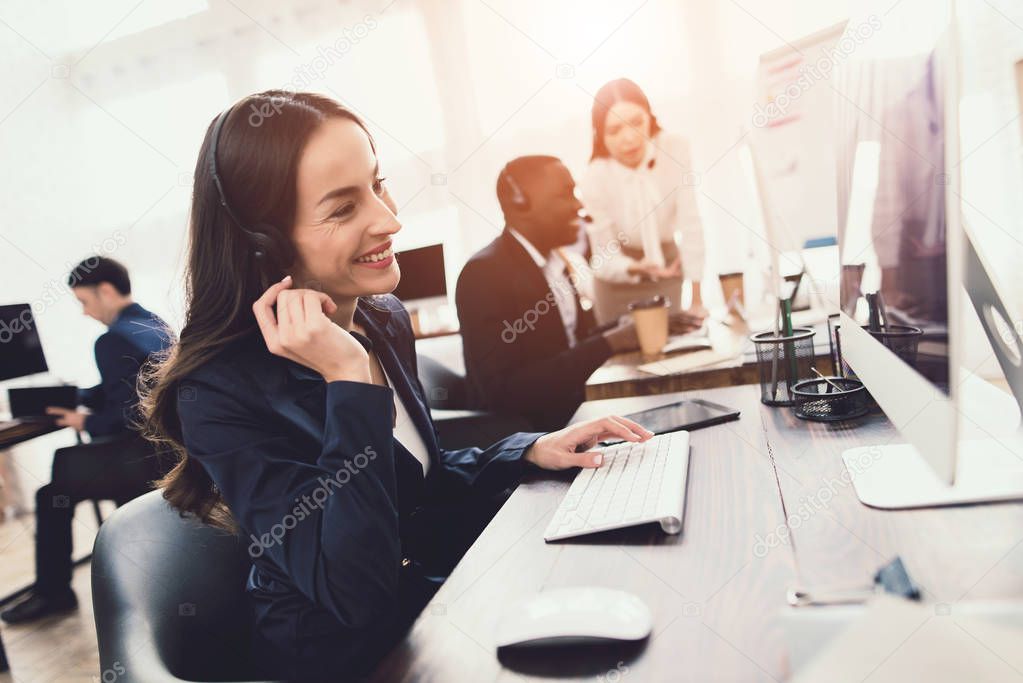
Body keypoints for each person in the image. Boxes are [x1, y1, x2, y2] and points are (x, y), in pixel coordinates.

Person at [139, 91, 654, 682]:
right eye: (342, 207)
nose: (390, 220)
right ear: (263, 243)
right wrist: (347, 379)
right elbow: (352, 588)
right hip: (352, 660)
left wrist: (529, 450)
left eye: (378, 186)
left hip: (436, 608)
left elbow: (414, 485)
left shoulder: (380, 316)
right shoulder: (220, 392)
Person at [457, 155, 694, 431]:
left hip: (581, 414)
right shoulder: (483, 274)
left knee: (685, 413)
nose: (580, 206)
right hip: (538, 434)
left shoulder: (558, 262)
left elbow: (571, 345)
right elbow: (504, 391)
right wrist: (610, 342)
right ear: (519, 202)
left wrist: (627, 328)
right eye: (566, 194)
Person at [1, 257, 172, 624]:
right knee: (63, 476)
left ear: (106, 291)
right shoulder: (152, 323)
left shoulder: (111, 340)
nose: (84, 312)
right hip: (170, 454)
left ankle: (54, 592)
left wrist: (85, 419)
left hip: (142, 458)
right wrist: (81, 396)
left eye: (85, 302)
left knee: (51, 493)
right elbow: (133, 388)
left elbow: (132, 414)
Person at [579, 78, 708, 324]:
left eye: (636, 122)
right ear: (600, 135)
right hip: (617, 281)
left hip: (667, 271)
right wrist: (636, 267)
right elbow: (603, 256)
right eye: (614, 130)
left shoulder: (675, 148)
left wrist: (697, 299)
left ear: (650, 116)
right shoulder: (594, 176)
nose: (629, 138)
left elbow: (691, 223)